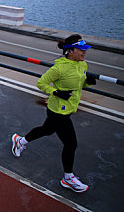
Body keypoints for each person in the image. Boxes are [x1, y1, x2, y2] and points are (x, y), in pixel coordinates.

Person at [11, 34, 96, 193]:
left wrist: (88, 82)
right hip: (58, 111)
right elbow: (41, 83)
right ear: (70, 51)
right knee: (71, 144)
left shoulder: (82, 65)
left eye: (85, 50)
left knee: (47, 130)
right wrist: (56, 92)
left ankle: (20, 141)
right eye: (81, 50)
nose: (84, 53)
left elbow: (79, 85)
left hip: (69, 108)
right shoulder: (58, 68)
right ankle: (68, 178)